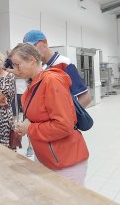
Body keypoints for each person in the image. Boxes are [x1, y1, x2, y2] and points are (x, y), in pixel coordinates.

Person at [10, 43, 89, 185]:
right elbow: (38, 117)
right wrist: (24, 127)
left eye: (17, 65)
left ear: (32, 60)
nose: (15, 70)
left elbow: (64, 126)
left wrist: (30, 129)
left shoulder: (51, 81)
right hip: (46, 158)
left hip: (66, 161)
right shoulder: (32, 86)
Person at [23, 30, 91, 108]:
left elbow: (85, 98)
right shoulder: (41, 68)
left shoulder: (64, 63)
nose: (32, 52)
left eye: (33, 46)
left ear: (44, 42)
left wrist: (67, 117)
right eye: (29, 50)